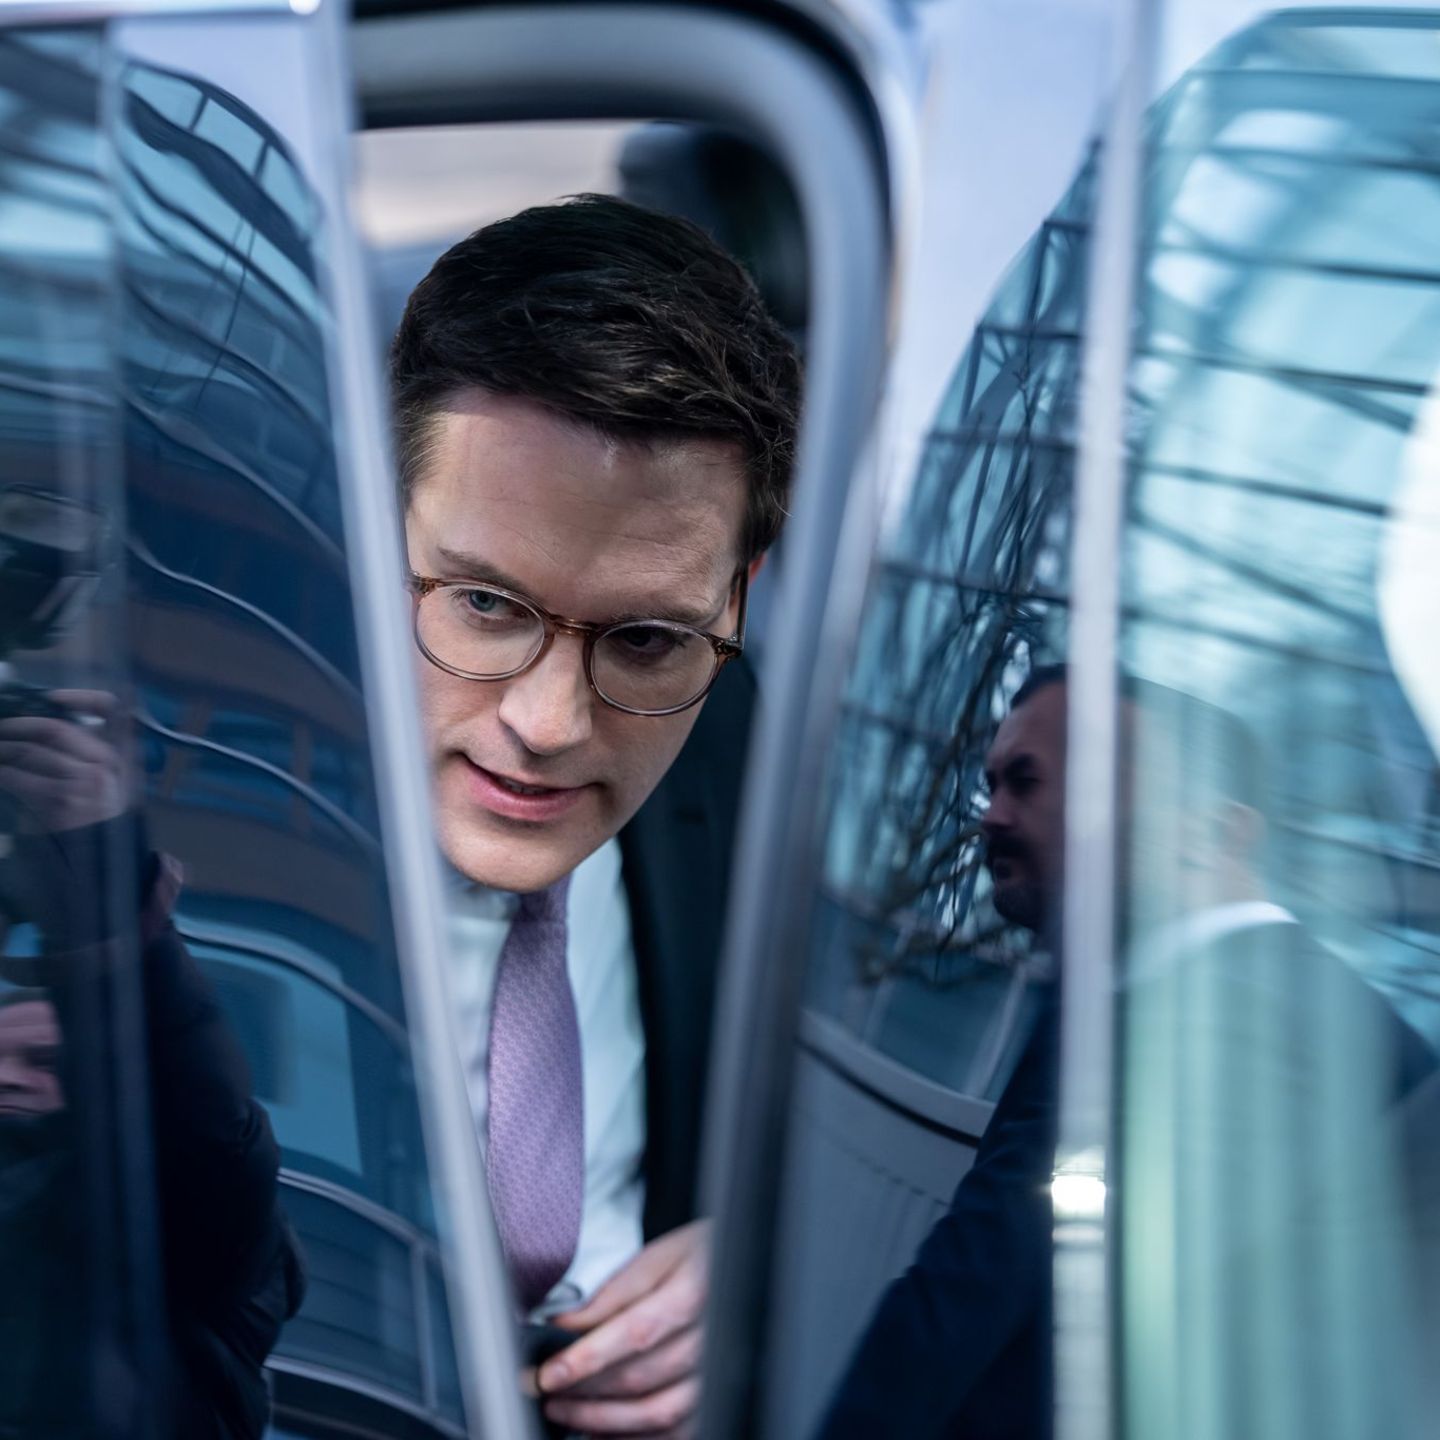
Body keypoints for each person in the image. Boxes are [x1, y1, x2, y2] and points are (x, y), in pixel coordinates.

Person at [390, 193, 801, 1437]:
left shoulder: (752, 749)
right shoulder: (175, 807)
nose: (549, 721)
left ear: (740, 600)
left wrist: (758, 1258)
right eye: (485, 606)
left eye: (645, 639)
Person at [817, 665, 1432, 1440]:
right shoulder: (1260, 1001)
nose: (993, 816)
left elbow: (974, 1289)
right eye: (993, 784)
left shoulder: (1231, 1020)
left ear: (1214, 834)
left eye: (1032, 782)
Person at [0, 691, 304, 1439]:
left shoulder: (193, 1247)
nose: (5, 1074)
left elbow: (193, 1132)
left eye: (45, 1060)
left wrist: (103, 893)